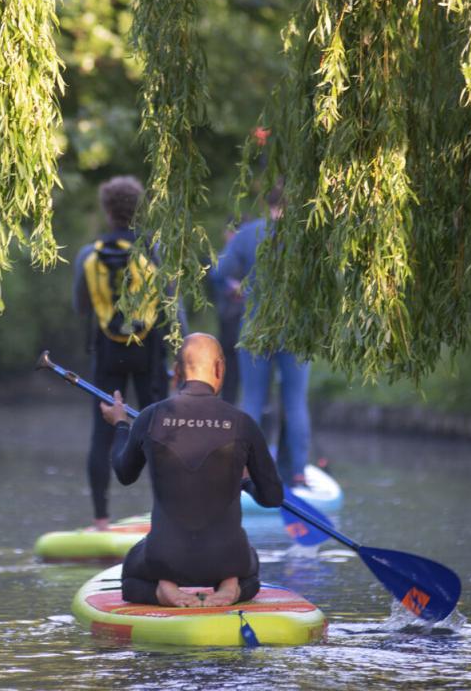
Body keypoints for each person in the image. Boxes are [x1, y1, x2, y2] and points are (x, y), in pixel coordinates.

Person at [100, 333, 283, 607]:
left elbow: (124, 474)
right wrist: (243, 482)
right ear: (220, 369)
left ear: (176, 372)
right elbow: (273, 497)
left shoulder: (150, 417)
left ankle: (163, 589)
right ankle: (231, 587)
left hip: (165, 558)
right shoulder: (242, 423)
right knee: (252, 569)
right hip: (228, 558)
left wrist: (121, 425)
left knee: (130, 578)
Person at [73, 175, 172, 529]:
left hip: (106, 351)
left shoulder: (90, 254)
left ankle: (101, 519)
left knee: (101, 434)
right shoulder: (155, 252)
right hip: (149, 350)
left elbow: (81, 307)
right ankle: (165, 514)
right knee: (157, 430)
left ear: (107, 209)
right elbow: (171, 304)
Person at [214, 182, 312, 488]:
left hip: (256, 326)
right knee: (295, 402)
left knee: (253, 400)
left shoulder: (248, 234)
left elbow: (219, 272)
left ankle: (244, 471)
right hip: (295, 330)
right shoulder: (306, 235)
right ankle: (297, 473)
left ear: (265, 202)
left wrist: (236, 289)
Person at [208, 220, 246, 405]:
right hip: (229, 319)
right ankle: (229, 404)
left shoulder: (233, 256)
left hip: (237, 318)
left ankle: (233, 404)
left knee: (236, 365)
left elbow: (216, 276)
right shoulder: (226, 256)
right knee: (230, 366)